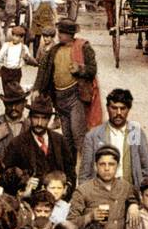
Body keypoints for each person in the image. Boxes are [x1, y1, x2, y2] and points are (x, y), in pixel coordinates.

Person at [32, 18, 99, 157]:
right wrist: (37, 88)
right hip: (60, 99)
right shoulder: (54, 50)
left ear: (70, 34)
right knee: (67, 137)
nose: (59, 35)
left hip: (76, 97)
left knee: (78, 135)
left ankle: (86, 168)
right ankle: (70, 171)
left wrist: (80, 69)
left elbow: (92, 69)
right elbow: (43, 70)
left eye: (62, 32)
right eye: (59, 31)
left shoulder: (83, 47)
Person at [78, 87, 148, 189]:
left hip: (130, 191)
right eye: (114, 108)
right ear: (107, 108)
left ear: (128, 109)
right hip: (102, 193)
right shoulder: (93, 136)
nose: (118, 113)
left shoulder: (135, 132)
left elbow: (146, 168)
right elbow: (85, 174)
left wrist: (142, 192)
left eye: (123, 108)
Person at [2, 96, 74, 195]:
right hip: (30, 201)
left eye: (44, 118)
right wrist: (24, 181)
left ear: (49, 119)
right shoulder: (17, 144)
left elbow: (70, 172)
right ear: (30, 118)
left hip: (58, 199)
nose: (39, 123)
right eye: (36, 117)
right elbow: (6, 177)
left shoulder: (60, 141)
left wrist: (67, 189)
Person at [69, 145, 136, 229]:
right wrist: (90, 216)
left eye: (111, 164)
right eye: (102, 164)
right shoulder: (83, 191)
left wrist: (134, 205)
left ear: (118, 166)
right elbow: (70, 224)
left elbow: (139, 200)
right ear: (95, 166)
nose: (107, 168)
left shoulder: (125, 187)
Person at [0, 25, 36, 96]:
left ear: (21, 38)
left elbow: (29, 59)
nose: (14, 38)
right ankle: (8, 106)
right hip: (6, 72)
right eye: (13, 35)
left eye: (17, 36)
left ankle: (25, 89)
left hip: (16, 73)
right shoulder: (6, 46)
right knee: (7, 92)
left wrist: (29, 60)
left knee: (15, 92)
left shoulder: (24, 48)